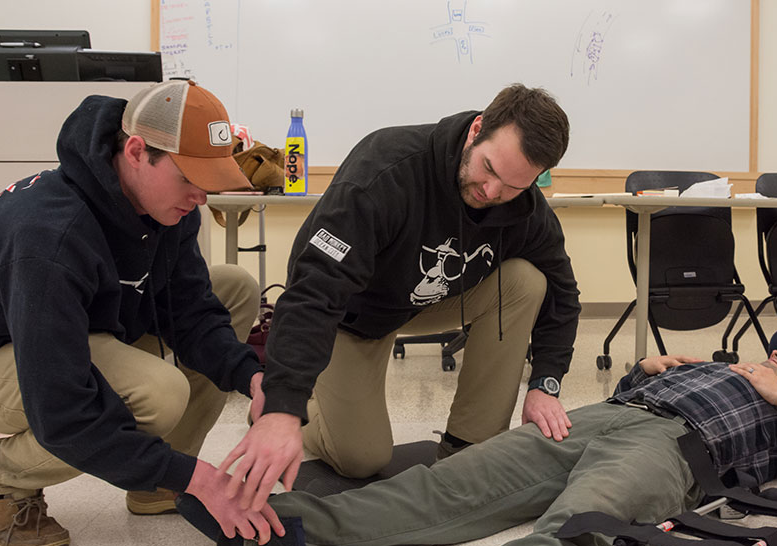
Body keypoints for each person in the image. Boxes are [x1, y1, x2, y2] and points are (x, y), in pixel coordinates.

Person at [179, 327, 777, 546]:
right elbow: (632, 387)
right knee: (448, 484)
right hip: (598, 419)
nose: (772, 359)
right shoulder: (719, 366)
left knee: (579, 526)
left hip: (673, 453)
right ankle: (273, 531)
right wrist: (647, 371)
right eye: (770, 356)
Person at [220, 83, 581, 512]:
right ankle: (310, 407)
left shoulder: (523, 205)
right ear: (477, 129)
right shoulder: (386, 169)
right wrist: (282, 404)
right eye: (488, 169)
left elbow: (562, 291)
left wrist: (545, 382)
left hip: (421, 299)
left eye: (511, 186)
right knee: (361, 458)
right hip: (353, 313)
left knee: (526, 280)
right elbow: (315, 288)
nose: (491, 192)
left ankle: (470, 442)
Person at [0, 80, 284, 546]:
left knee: (234, 286)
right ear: (137, 151)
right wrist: (199, 478)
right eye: (188, 178)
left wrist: (253, 377)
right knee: (157, 394)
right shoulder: (46, 235)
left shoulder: (167, 207)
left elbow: (191, 312)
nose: (201, 197)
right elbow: (63, 412)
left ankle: (152, 479)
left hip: (88, 331)